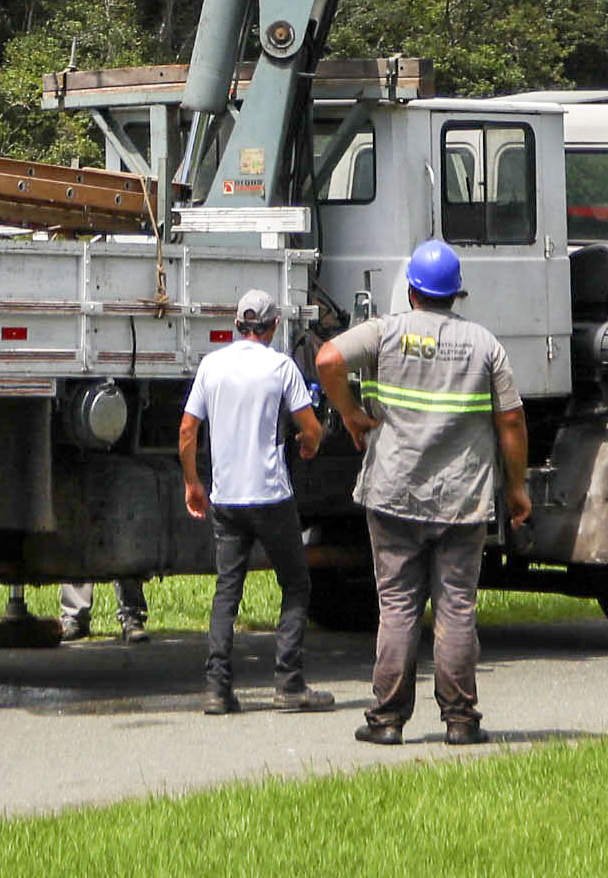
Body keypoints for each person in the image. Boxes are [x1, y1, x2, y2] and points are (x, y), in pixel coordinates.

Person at [320, 238, 526, 747]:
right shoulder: (484, 344)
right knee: (456, 606)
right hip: (462, 498)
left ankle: (387, 721)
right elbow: (512, 421)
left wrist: (349, 412)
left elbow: (327, 358)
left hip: (393, 493)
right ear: (456, 294)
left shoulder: (385, 333)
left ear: (412, 291)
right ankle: (460, 720)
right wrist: (517, 488)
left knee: (397, 606)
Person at [178, 287, 327, 714]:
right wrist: (309, 445)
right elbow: (310, 428)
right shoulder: (280, 367)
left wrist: (193, 482)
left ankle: (216, 689)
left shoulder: (211, 365)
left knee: (228, 591)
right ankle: (289, 683)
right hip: (271, 495)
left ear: (237, 325)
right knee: (296, 584)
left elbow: (188, 430)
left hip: (226, 498)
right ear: (274, 325)